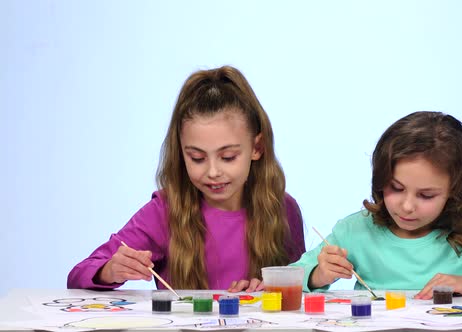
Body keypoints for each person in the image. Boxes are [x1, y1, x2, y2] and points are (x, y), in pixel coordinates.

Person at [68, 65, 305, 292]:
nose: (213, 171)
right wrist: (110, 270)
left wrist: (271, 290)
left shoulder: (282, 209)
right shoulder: (164, 211)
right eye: (197, 158)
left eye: (228, 157)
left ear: (257, 147)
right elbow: (78, 275)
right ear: (181, 153)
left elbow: (300, 289)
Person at [292, 111, 462, 299]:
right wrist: (318, 274)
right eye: (396, 188)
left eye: (426, 195)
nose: (408, 206)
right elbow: (288, 278)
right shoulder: (355, 230)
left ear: (454, 192)